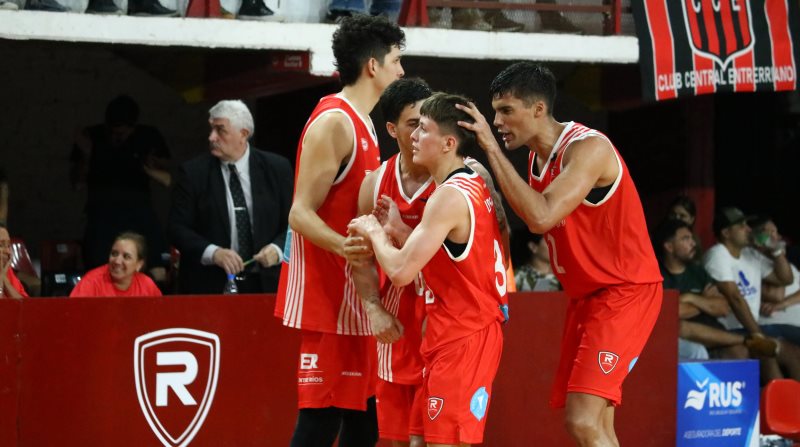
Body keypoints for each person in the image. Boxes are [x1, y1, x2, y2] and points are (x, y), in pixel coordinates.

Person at [457, 61, 663, 446]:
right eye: (494, 111)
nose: (497, 121)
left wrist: (488, 148)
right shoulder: (537, 159)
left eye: (506, 111)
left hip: (625, 291)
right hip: (589, 296)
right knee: (599, 426)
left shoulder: (589, 148)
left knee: (582, 421)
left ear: (538, 110)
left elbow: (540, 217)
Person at [273, 15, 405, 447]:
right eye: (396, 60)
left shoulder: (364, 121)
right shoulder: (334, 122)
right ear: (373, 65)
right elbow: (299, 213)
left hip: (357, 297)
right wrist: (345, 247)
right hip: (329, 297)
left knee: (364, 422)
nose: (401, 71)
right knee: (321, 421)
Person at [349, 92, 507, 447]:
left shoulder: (448, 196)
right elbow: (456, 256)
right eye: (414, 127)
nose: (415, 137)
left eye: (423, 129)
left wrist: (375, 234)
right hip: (450, 330)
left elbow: (402, 272)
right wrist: (400, 231)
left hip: (464, 334)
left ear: (449, 143)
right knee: (420, 441)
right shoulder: (464, 184)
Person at [168, 100, 292, 295]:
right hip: (210, 285)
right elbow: (176, 227)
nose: (211, 137)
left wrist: (278, 250)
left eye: (220, 130)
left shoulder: (277, 169)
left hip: (266, 285)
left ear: (243, 134)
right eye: (211, 129)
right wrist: (213, 253)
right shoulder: (193, 173)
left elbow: (296, 224)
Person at [71, 95, 172, 281]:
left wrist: (150, 165)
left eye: (122, 133)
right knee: (99, 272)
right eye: (113, 132)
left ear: (133, 128)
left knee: (158, 271)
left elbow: (169, 178)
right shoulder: (93, 137)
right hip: (102, 216)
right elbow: (77, 184)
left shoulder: (146, 137)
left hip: (139, 213)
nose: (117, 137)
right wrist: (87, 156)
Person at [653, 218, 778, 361]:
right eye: (685, 239)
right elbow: (669, 314)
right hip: (681, 338)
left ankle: (748, 344)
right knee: (679, 326)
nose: (693, 243)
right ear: (669, 246)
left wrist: (691, 298)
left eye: (691, 238)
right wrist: (705, 301)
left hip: (714, 333)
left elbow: (723, 308)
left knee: (740, 353)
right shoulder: (656, 275)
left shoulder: (697, 271)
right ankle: (746, 339)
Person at [703, 207, 800, 382]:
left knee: (794, 354)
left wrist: (776, 251)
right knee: (767, 355)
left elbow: (785, 279)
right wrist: (758, 335)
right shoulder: (718, 254)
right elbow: (735, 298)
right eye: (741, 226)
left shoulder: (750, 254)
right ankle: (777, 407)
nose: (748, 229)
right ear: (726, 233)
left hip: (751, 329)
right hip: (728, 328)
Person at [748, 216, 800, 347]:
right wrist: (777, 253)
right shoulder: (751, 258)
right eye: (771, 232)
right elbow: (776, 295)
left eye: (776, 232)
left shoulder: (788, 266)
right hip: (776, 325)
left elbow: (780, 300)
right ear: (757, 238)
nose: (778, 237)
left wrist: (782, 305)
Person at [69, 232, 162, 297]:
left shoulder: (147, 286)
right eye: (114, 254)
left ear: (139, 264)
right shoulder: (91, 282)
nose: (117, 261)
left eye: (126, 256)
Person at [0, 223, 28, 299]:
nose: (8, 252)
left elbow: (26, 306)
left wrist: (4, 279)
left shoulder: (7, 271)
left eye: (8, 245)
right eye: (1, 245)